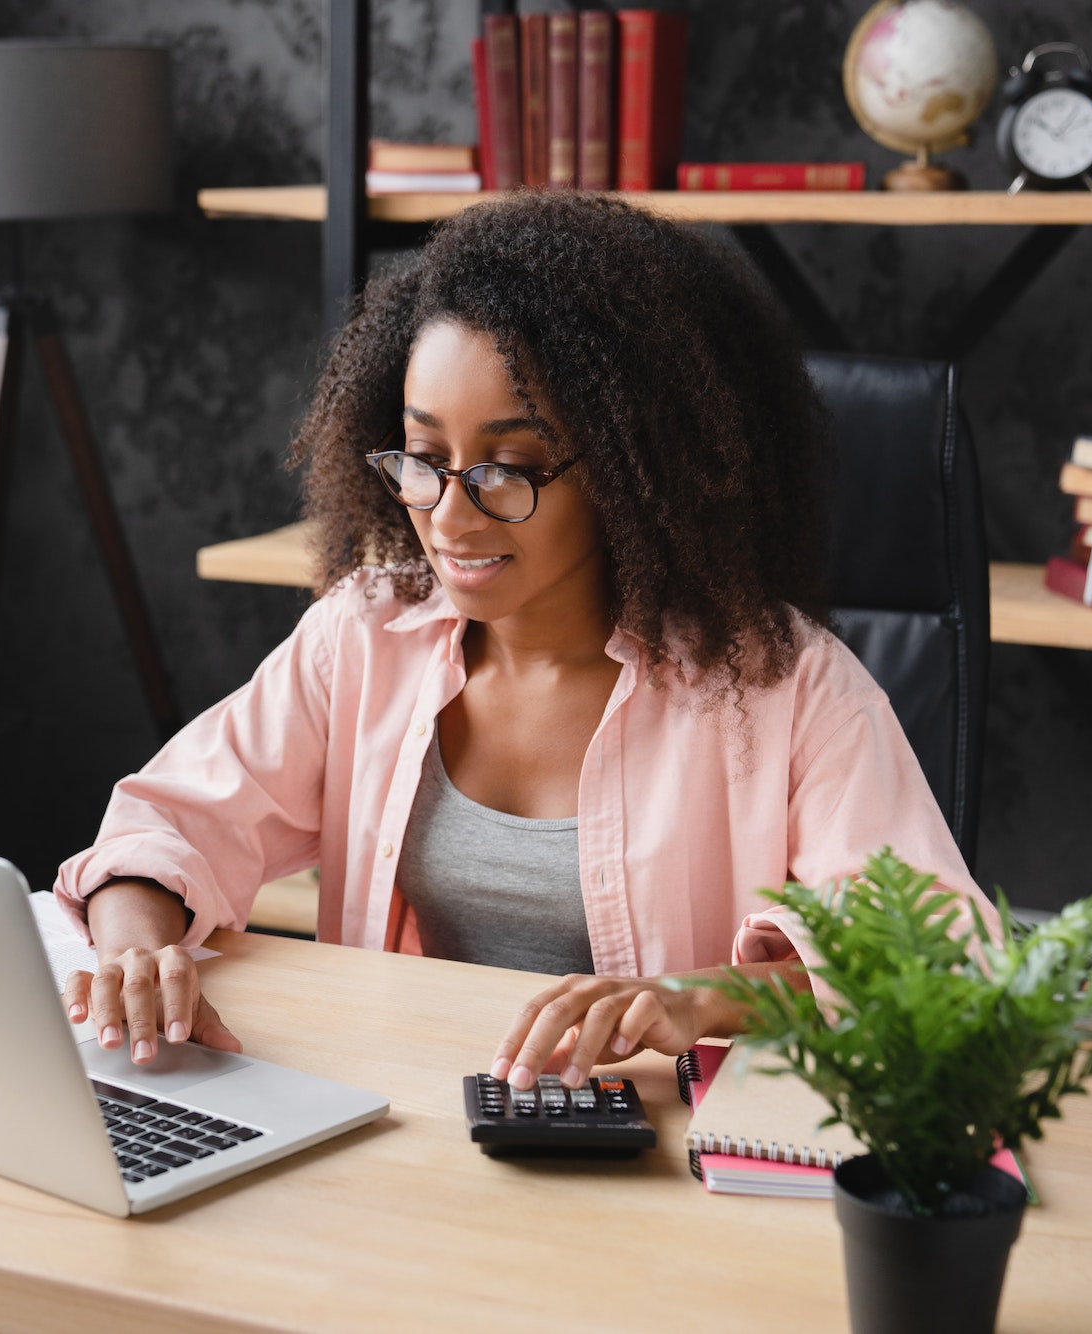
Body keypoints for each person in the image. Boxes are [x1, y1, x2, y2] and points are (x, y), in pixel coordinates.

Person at [53, 192, 990, 1093]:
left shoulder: (787, 687)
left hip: (663, 1172)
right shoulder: (368, 633)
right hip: (404, 1124)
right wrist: (138, 950)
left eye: (511, 468)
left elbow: (947, 969)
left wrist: (706, 998)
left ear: (635, 472)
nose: (450, 517)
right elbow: (169, 824)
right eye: (424, 459)